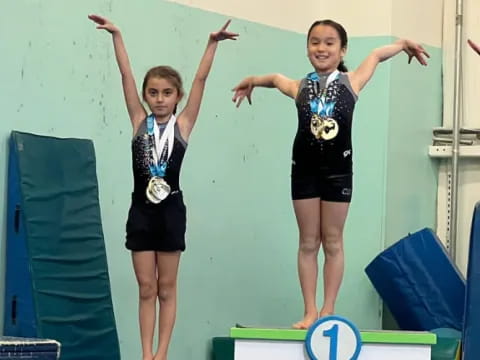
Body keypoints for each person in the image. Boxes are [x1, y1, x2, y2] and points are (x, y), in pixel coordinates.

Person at [232, 19, 429, 329]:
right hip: (304, 172)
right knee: (308, 242)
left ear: (342, 49)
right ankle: (310, 311)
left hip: (338, 172)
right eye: (315, 42)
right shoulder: (300, 87)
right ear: (308, 47)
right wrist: (253, 80)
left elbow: (377, 54)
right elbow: (275, 78)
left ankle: (328, 309)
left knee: (333, 241)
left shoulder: (351, 82)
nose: (321, 48)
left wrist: (402, 44)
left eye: (329, 43)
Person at [88, 14, 238, 360]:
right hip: (141, 211)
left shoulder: (183, 125)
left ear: (177, 97)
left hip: (170, 211)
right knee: (146, 288)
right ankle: (145, 354)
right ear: (145, 95)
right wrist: (117, 36)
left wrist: (211, 44)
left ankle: (162, 353)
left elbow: (201, 79)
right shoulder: (139, 123)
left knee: (167, 288)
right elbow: (125, 75)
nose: (159, 99)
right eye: (153, 93)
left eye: (167, 93)